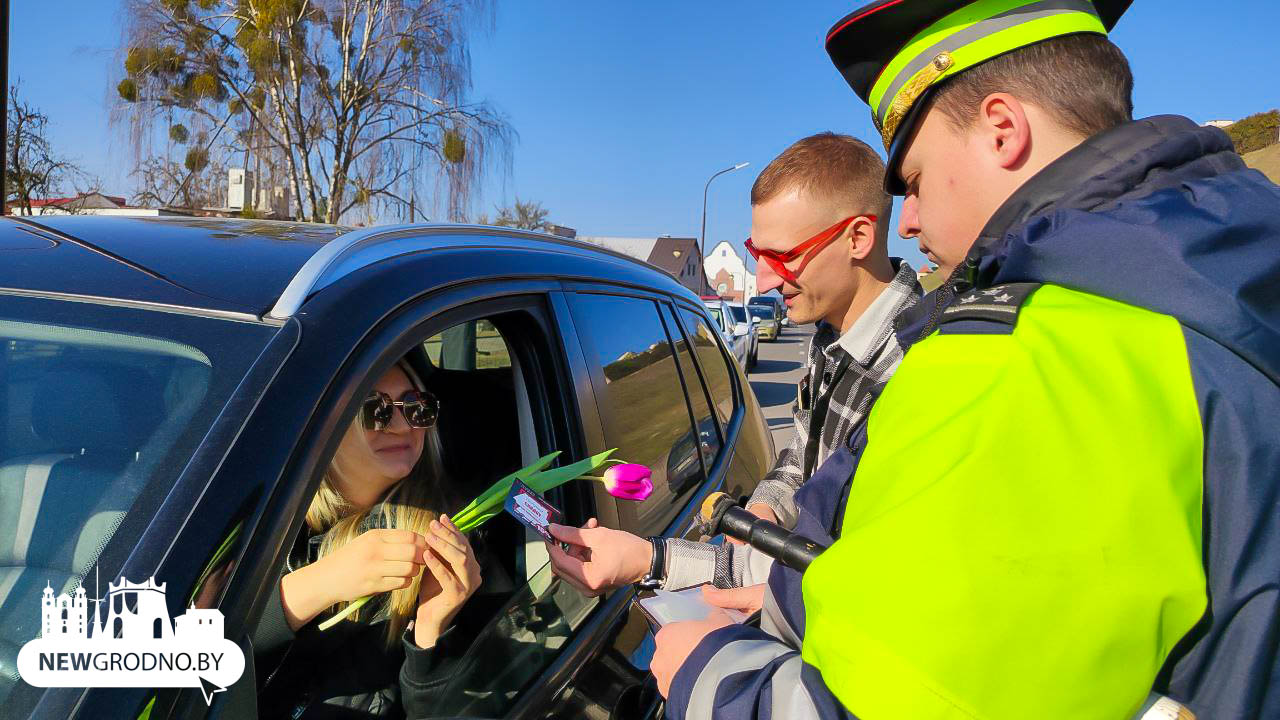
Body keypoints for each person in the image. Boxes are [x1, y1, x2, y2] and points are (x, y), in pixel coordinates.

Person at [654, 2, 1280, 718]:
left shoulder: (1034, 351)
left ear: (1002, 130)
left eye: (915, 181)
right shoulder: (1209, 278)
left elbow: (909, 697)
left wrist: (711, 677)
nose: (910, 220)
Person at [545, 133, 920, 608]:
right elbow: (800, 465)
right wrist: (767, 506)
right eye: (754, 251)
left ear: (858, 238)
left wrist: (650, 560)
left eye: (783, 256)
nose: (763, 279)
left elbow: (838, 585)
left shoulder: (916, 375)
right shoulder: (832, 340)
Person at [254, 361, 485, 718]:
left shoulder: (454, 546)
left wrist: (429, 633)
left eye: (416, 407)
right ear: (320, 426)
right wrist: (317, 584)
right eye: (373, 409)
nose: (401, 425)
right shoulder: (260, 523)